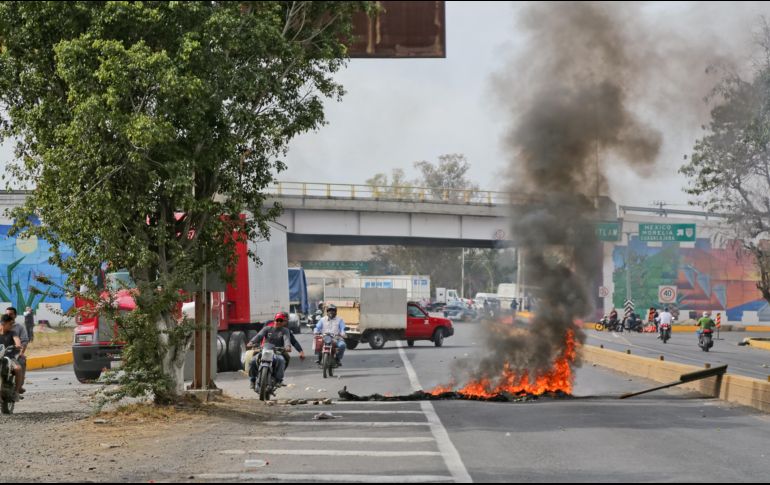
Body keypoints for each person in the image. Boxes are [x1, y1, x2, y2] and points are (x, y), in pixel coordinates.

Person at [246, 312, 292, 390]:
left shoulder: (285, 330)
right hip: (265, 350)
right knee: (253, 361)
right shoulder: (267, 328)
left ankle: (278, 380)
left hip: (278, 352)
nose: (279, 322)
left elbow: (286, 339)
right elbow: (259, 336)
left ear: (284, 322)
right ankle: (252, 380)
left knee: (281, 360)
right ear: (274, 320)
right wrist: (252, 342)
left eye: (281, 321)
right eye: (278, 320)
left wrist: (287, 346)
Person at [0, 314, 24, 395]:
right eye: (10, 324)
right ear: (3, 323)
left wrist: (17, 345)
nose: (12, 326)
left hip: (9, 357)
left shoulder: (13, 333)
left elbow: (17, 340)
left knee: (18, 368)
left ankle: (16, 392)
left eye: (12, 324)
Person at [6, 307, 28, 393]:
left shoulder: (19, 327)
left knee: (21, 361)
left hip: (14, 354)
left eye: (11, 314)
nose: (9, 315)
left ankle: (19, 386)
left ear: (15, 316)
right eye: (7, 314)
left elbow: (24, 341)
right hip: (2, 352)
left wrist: (21, 352)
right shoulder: (1, 326)